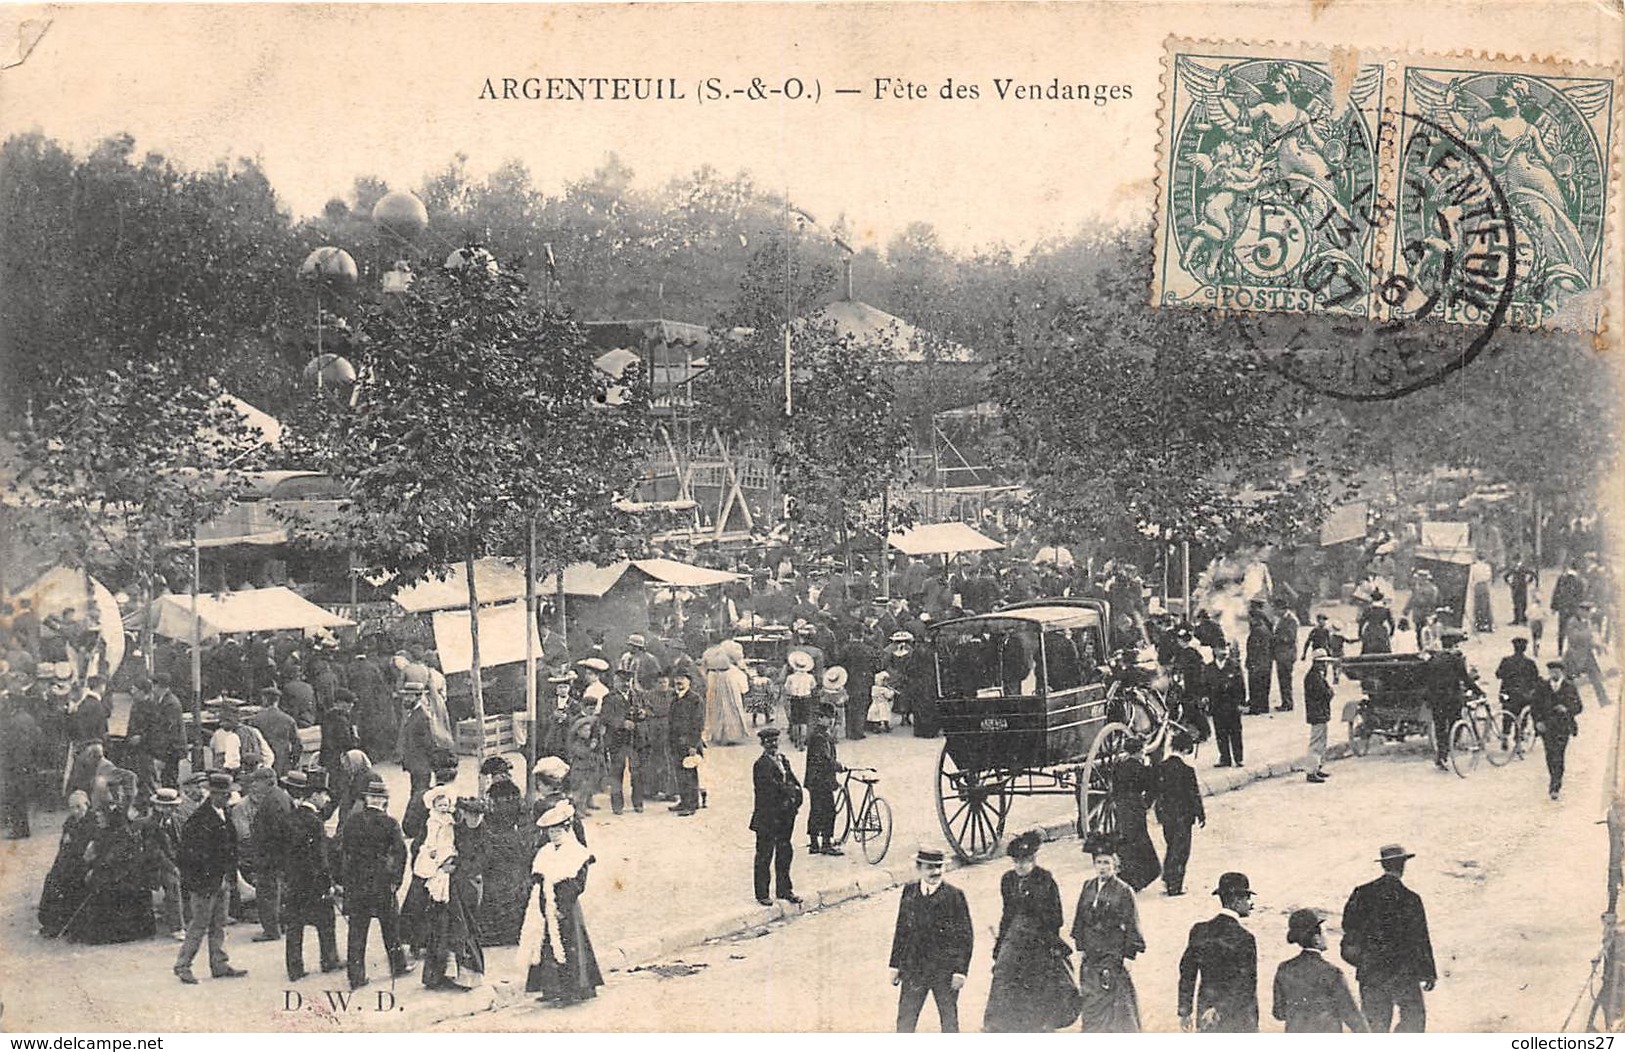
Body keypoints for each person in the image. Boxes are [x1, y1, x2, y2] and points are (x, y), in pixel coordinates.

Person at [983, 831, 1079, 1032]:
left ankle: (1041, 1023)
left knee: (1039, 979)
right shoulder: (1008, 880)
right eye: (1017, 862)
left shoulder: (1045, 879)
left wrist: (1048, 941)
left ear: (1033, 860)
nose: (1020, 866)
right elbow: (1007, 913)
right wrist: (1001, 943)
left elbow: (1056, 917)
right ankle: (1002, 1024)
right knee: (1004, 975)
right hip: (1014, 936)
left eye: (1025, 861)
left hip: (1039, 936)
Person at [1339, 843, 1437, 1032]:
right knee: (1414, 1019)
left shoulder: (1362, 893)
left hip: (1372, 974)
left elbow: (1349, 930)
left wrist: (1363, 962)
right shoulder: (1411, 898)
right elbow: (1420, 939)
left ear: (1383, 865)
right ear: (1402, 865)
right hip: (1405, 975)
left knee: (1374, 1027)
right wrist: (1428, 973)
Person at [519, 800, 603, 1006]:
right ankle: (551, 988)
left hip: (566, 906)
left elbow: (577, 884)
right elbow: (538, 879)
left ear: (567, 829)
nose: (554, 835)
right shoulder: (546, 852)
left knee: (570, 943)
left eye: (558, 831)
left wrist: (561, 906)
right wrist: (541, 903)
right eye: (551, 832)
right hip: (546, 904)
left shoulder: (576, 853)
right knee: (546, 944)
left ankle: (574, 989)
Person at [174, 771, 249, 984]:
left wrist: (229, 876)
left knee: (220, 924)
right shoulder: (199, 820)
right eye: (224, 794)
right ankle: (183, 965)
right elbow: (188, 856)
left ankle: (219, 963)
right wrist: (201, 881)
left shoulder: (223, 813)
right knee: (199, 925)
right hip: (205, 883)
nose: (227, 798)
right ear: (214, 794)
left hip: (221, 880)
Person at [889, 846, 974, 1033]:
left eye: (939, 867)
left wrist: (960, 971)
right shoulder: (909, 891)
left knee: (949, 1021)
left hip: (944, 971)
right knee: (905, 1021)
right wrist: (895, 965)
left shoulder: (954, 895)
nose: (936, 872)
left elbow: (965, 937)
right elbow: (902, 929)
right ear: (919, 869)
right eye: (930, 867)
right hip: (914, 969)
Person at [340, 775, 414, 991]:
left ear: (366, 799)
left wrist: (345, 881)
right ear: (382, 801)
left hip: (356, 884)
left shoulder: (352, 821)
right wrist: (396, 881)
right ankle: (397, 965)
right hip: (382, 883)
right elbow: (401, 854)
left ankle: (356, 975)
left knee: (357, 930)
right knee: (390, 927)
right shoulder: (390, 823)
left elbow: (342, 851)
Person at [1072, 837, 1145, 1032]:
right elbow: (1079, 918)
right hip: (1090, 955)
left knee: (1116, 1006)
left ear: (1116, 865)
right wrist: (1080, 946)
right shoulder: (1088, 886)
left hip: (1112, 954)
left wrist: (1130, 955)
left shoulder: (1124, 891)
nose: (1102, 867)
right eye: (1098, 862)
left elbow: (1131, 923)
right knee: (1091, 1003)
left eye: (1107, 863)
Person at [1178, 871, 1259, 1032]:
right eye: (1247, 898)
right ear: (1236, 901)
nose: (1251, 904)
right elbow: (1247, 985)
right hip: (1238, 1018)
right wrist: (1219, 1009)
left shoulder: (1199, 930)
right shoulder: (1245, 938)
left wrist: (1185, 1011)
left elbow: (1187, 974)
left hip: (1206, 1013)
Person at [423, 796, 488, 991]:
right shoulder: (457, 830)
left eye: (478, 814)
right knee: (446, 925)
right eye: (470, 814)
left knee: (466, 927)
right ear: (465, 814)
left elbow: (482, 862)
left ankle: (467, 977)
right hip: (452, 884)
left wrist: (457, 866)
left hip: (470, 885)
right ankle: (442, 974)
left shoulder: (484, 835)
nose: (474, 818)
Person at [282, 770, 341, 981]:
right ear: (314, 796)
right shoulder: (315, 822)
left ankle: (294, 968)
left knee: (294, 926)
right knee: (326, 921)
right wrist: (329, 883)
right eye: (324, 795)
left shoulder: (291, 817)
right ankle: (329, 960)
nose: (327, 799)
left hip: (295, 881)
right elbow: (320, 857)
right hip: (314, 882)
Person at [1273, 909, 1368, 1032]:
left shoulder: (1284, 969)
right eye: (1325, 932)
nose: (1327, 936)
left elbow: (1279, 1013)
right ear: (1317, 939)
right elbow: (1352, 1017)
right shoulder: (1333, 973)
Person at [749, 726, 803, 906]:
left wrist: (797, 796)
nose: (773, 745)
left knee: (785, 852)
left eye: (775, 741)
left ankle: (784, 890)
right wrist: (790, 792)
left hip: (785, 815)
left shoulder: (783, 760)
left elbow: (793, 780)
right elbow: (770, 790)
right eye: (768, 742)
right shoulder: (761, 765)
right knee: (765, 854)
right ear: (763, 744)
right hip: (768, 817)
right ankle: (762, 893)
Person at [1154, 733, 1205, 896]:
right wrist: (1201, 814)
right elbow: (1194, 795)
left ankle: (1168, 880)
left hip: (1166, 815)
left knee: (1171, 846)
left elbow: (1155, 792)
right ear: (1184, 749)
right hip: (1183, 815)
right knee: (1181, 850)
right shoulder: (1187, 770)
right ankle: (1175, 885)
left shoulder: (1161, 767)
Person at [248, 767, 294, 943]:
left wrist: (267, 856)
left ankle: (271, 930)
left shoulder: (272, 801)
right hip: (278, 855)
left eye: (256, 781)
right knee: (277, 890)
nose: (253, 785)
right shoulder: (281, 796)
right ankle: (279, 924)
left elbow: (274, 832)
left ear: (267, 781)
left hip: (270, 855)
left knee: (267, 892)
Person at [1109, 737, 1160, 892]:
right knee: (1139, 839)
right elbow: (1151, 787)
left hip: (1122, 806)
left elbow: (1114, 787)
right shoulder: (1141, 768)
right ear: (1139, 752)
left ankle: (1127, 875)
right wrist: (1147, 803)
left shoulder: (1119, 766)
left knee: (1127, 839)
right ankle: (1140, 877)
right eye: (1142, 750)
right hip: (1135, 806)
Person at [1425, 629, 1480, 771]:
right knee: (1456, 723)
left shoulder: (1433, 659)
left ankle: (1441, 755)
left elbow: (1426, 679)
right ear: (1454, 645)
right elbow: (1465, 679)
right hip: (1451, 699)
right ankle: (1449, 747)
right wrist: (1478, 691)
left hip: (1436, 699)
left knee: (1440, 727)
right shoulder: (1456, 660)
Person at [1533, 661, 1582, 799]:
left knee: (1559, 755)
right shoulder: (1542, 687)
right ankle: (1553, 778)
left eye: (1556, 671)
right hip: (1547, 727)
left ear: (1562, 672)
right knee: (1549, 755)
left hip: (1563, 726)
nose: (1554, 674)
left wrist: (1567, 709)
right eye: (1551, 671)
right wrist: (1538, 722)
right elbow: (1534, 707)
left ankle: (1555, 785)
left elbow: (1579, 707)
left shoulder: (1569, 687)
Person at [599, 668, 644, 814]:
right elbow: (605, 717)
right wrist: (621, 723)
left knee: (637, 772)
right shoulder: (609, 698)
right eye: (621, 681)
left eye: (627, 681)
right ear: (615, 682)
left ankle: (638, 803)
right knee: (617, 772)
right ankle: (617, 805)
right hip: (617, 741)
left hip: (635, 741)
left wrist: (643, 714)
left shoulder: (637, 695)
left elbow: (648, 710)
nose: (625, 684)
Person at [803, 703, 843, 855]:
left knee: (816, 810)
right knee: (828, 811)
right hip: (821, 781)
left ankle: (814, 844)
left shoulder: (819, 734)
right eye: (827, 718)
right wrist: (839, 767)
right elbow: (825, 760)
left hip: (816, 780)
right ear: (820, 718)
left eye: (832, 718)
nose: (831, 721)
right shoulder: (820, 737)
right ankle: (825, 844)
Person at [668, 670, 705, 816]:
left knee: (689, 773)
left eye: (682, 678)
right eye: (677, 678)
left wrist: (693, 745)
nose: (679, 681)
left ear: (689, 681)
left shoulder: (695, 699)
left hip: (689, 743)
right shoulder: (675, 697)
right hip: (675, 742)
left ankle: (691, 805)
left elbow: (698, 723)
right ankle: (684, 801)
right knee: (680, 773)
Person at [1562, 606, 1610, 709]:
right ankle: (1565, 701)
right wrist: (1589, 633)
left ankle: (1604, 700)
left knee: (1596, 678)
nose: (1588, 614)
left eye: (1589, 611)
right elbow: (1573, 638)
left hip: (1587, 655)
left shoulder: (1587, 622)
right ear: (1580, 611)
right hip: (1573, 656)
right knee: (1568, 681)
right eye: (1586, 611)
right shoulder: (1572, 622)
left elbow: (1589, 639)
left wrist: (1598, 646)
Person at [247, 686, 301, 776]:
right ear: (277, 701)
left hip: (263, 763)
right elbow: (297, 744)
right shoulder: (288, 720)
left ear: (264, 699)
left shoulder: (255, 719)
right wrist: (294, 762)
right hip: (283, 763)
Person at [1208, 643, 1246, 767]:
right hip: (1217, 706)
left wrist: (1241, 703)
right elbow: (1204, 686)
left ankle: (1239, 758)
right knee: (1220, 733)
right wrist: (1204, 698)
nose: (1224, 651)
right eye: (1220, 648)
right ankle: (1225, 758)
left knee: (1235, 732)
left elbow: (1241, 686)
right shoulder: (1209, 668)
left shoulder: (1234, 666)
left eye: (1225, 648)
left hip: (1232, 705)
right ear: (1214, 650)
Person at [1303, 649, 1334, 784]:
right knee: (1316, 743)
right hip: (1317, 713)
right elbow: (1324, 693)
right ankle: (1311, 771)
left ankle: (1317, 767)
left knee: (1321, 742)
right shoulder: (1314, 677)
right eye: (1323, 663)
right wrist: (1330, 692)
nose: (1325, 665)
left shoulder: (1316, 676)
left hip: (1319, 712)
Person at [1496, 637, 1541, 719]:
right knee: (1523, 718)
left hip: (1508, 695)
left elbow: (1498, 675)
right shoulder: (1530, 663)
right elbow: (1535, 679)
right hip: (1524, 696)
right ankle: (1521, 730)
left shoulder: (1506, 661)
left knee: (1507, 719)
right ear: (1525, 649)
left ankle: (1506, 730)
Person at [1244, 602, 1274, 714]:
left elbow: (1254, 650)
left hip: (1257, 663)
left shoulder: (1257, 631)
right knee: (1264, 685)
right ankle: (1264, 706)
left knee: (1255, 685)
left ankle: (1255, 708)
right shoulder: (1265, 629)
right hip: (1266, 662)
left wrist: (1250, 662)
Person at [1552, 562, 1586, 654]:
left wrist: (1554, 606)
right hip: (1574, 608)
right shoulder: (1579, 580)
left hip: (1563, 607)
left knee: (1561, 628)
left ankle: (1560, 649)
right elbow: (1581, 596)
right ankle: (1571, 649)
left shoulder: (1562, 578)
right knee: (1573, 628)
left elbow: (1556, 592)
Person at [1271, 607, 1300, 711]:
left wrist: (1275, 638)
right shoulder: (1284, 619)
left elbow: (1290, 638)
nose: (1276, 612)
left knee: (1285, 680)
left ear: (1282, 609)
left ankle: (1287, 703)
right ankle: (1286, 702)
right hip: (1282, 655)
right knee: (1283, 679)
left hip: (1286, 655)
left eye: (1277, 610)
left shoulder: (1291, 620)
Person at [1404, 571, 1441, 647]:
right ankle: (1421, 647)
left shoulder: (1430, 589)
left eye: (1421, 578)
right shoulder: (1419, 588)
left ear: (1425, 578)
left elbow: (1434, 601)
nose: (1419, 579)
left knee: (1426, 632)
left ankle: (1424, 648)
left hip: (1426, 613)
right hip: (1420, 614)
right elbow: (1412, 600)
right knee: (1419, 632)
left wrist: (1406, 610)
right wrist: (1406, 610)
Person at [1504, 558, 1539, 626]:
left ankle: (1522, 619)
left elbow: (1533, 574)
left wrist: (1530, 581)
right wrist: (1510, 583)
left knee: (1522, 603)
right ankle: (1517, 619)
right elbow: (1506, 576)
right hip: (1517, 587)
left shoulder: (1521, 568)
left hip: (1521, 587)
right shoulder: (1515, 568)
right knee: (1516, 603)